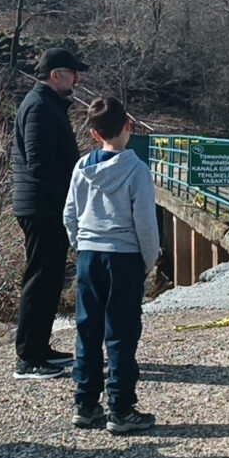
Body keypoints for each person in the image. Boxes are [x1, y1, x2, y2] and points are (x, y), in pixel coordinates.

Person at [63, 97, 159, 433]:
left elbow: (69, 214)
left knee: (87, 330)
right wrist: (147, 261)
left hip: (89, 256)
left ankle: (86, 403)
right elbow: (146, 225)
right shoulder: (137, 171)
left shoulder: (81, 167)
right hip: (125, 257)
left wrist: (81, 245)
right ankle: (121, 408)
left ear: (93, 133)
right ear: (129, 126)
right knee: (121, 334)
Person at [11, 47, 88, 379]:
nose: (77, 80)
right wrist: (70, 195)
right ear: (56, 75)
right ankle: (28, 358)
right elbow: (39, 163)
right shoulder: (40, 106)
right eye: (72, 73)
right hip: (41, 206)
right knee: (40, 279)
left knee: (50, 278)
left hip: (44, 205)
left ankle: (40, 349)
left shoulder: (47, 104)